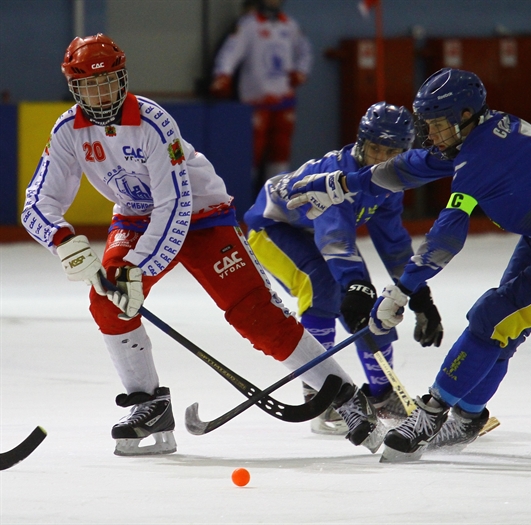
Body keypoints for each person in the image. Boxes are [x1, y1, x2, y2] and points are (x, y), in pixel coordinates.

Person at [21, 34, 386, 457]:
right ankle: (149, 405)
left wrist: (136, 266)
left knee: (256, 315)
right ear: (74, 89)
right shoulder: (68, 130)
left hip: (202, 216)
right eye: (88, 86)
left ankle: (344, 395)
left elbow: (174, 206)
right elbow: (39, 201)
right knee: (107, 302)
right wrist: (61, 239)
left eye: (108, 83)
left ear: (123, 79)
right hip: (135, 218)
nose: (100, 95)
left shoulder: (154, 123)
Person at [287, 68, 531, 461]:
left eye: (435, 124)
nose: (430, 135)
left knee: (494, 316)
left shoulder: (481, 157)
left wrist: (401, 293)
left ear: (464, 114)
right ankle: (467, 417)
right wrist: (339, 185)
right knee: (503, 327)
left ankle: (431, 413)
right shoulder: (481, 135)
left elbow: (445, 239)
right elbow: (409, 167)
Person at [244, 102, 441, 435]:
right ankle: (322, 396)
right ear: (361, 141)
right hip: (272, 228)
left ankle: (383, 397)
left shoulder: (389, 183)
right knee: (324, 289)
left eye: (390, 151)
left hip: (313, 232)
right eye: (374, 147)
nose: (380, 158)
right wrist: (354, 288)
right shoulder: (332, 179)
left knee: (370, 303)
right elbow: (335, 242)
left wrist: (418, 294)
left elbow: (393, 244)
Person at [209, 0, 312, 193]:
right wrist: (222, 74)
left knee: (280, 150)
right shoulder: (248, 25)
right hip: (256, 101)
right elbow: (230, 52)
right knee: (251, 153)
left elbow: (304, 51)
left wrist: (301, 71)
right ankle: (243, 198)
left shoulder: (290, 25)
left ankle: (278, 200)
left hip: (284, 100)